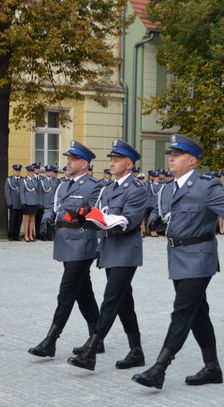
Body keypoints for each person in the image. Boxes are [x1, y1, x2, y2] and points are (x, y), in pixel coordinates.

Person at [131, 134, 224, 390]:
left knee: (181, 311)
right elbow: (167, 213)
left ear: (191, 160)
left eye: (176, 154)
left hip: (200, 259)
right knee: (198, 312)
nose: (171, 157)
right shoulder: (170, 187)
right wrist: (159, 220)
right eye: (170, 154)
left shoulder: (206, 186)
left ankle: (159, 369)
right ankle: (212, 367)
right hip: (177, 258)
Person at [67, 139, 147, 371]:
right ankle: (136, 351)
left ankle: (91, 351)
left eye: (117, 159)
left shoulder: (136, 190)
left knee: (111, 300)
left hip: (126, 251)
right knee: (124, 302)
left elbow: (129, 221)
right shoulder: (108, 188)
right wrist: (83, 217)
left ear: (129, 164)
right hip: (110, 251)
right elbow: (98, 217)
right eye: (111, 159)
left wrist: (102, 219)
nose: (111, 162)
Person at [28, 141, 104, 359]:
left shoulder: (94, 186)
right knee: (83, 292)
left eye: (71, 159)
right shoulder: (63, 185)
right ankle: (96, 338)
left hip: (83, 243)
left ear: (84, 163)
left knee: (67, 292)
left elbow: (96, 215)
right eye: (68, 158)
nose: (67, 162)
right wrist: (46, 219)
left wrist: (100, 245)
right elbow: (53, 208)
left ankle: (50, 340)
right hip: (64, 242)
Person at [40, 165, 60, 241]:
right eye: (48, 171)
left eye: (51, 171)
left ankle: (50, 235)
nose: (49, 173)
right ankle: (43, 235)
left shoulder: (56, 181)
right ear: (46, 172)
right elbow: (40, 193)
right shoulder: (42, 181)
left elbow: (58, 193)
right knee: (44, 220)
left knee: (52, 220)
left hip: (53, 204)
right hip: (45, 203)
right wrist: (41, 203)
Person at [5, 164, 24, 241]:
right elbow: (7, 192)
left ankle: (17, 235)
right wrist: (9, 202)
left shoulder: (23, 180)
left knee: (19, 220)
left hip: (21, 203)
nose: (17, 172)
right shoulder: (9, 180)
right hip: (13, 203)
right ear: (13, 171)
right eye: (16, 170)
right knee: (12, 220)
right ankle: (10, 235)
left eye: (19, 170)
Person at [20, 165, 38, 242]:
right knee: (27, 219)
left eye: (32, 171)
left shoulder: (35, 180)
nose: (31, 173)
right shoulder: (24, 180)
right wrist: (23, 202)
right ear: (27, 172)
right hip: (27, 202)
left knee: (32, 219)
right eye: (30, 171)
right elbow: (22, 192)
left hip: (34, 202)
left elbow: (37, 192)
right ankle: (26, 235)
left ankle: (31, 235)